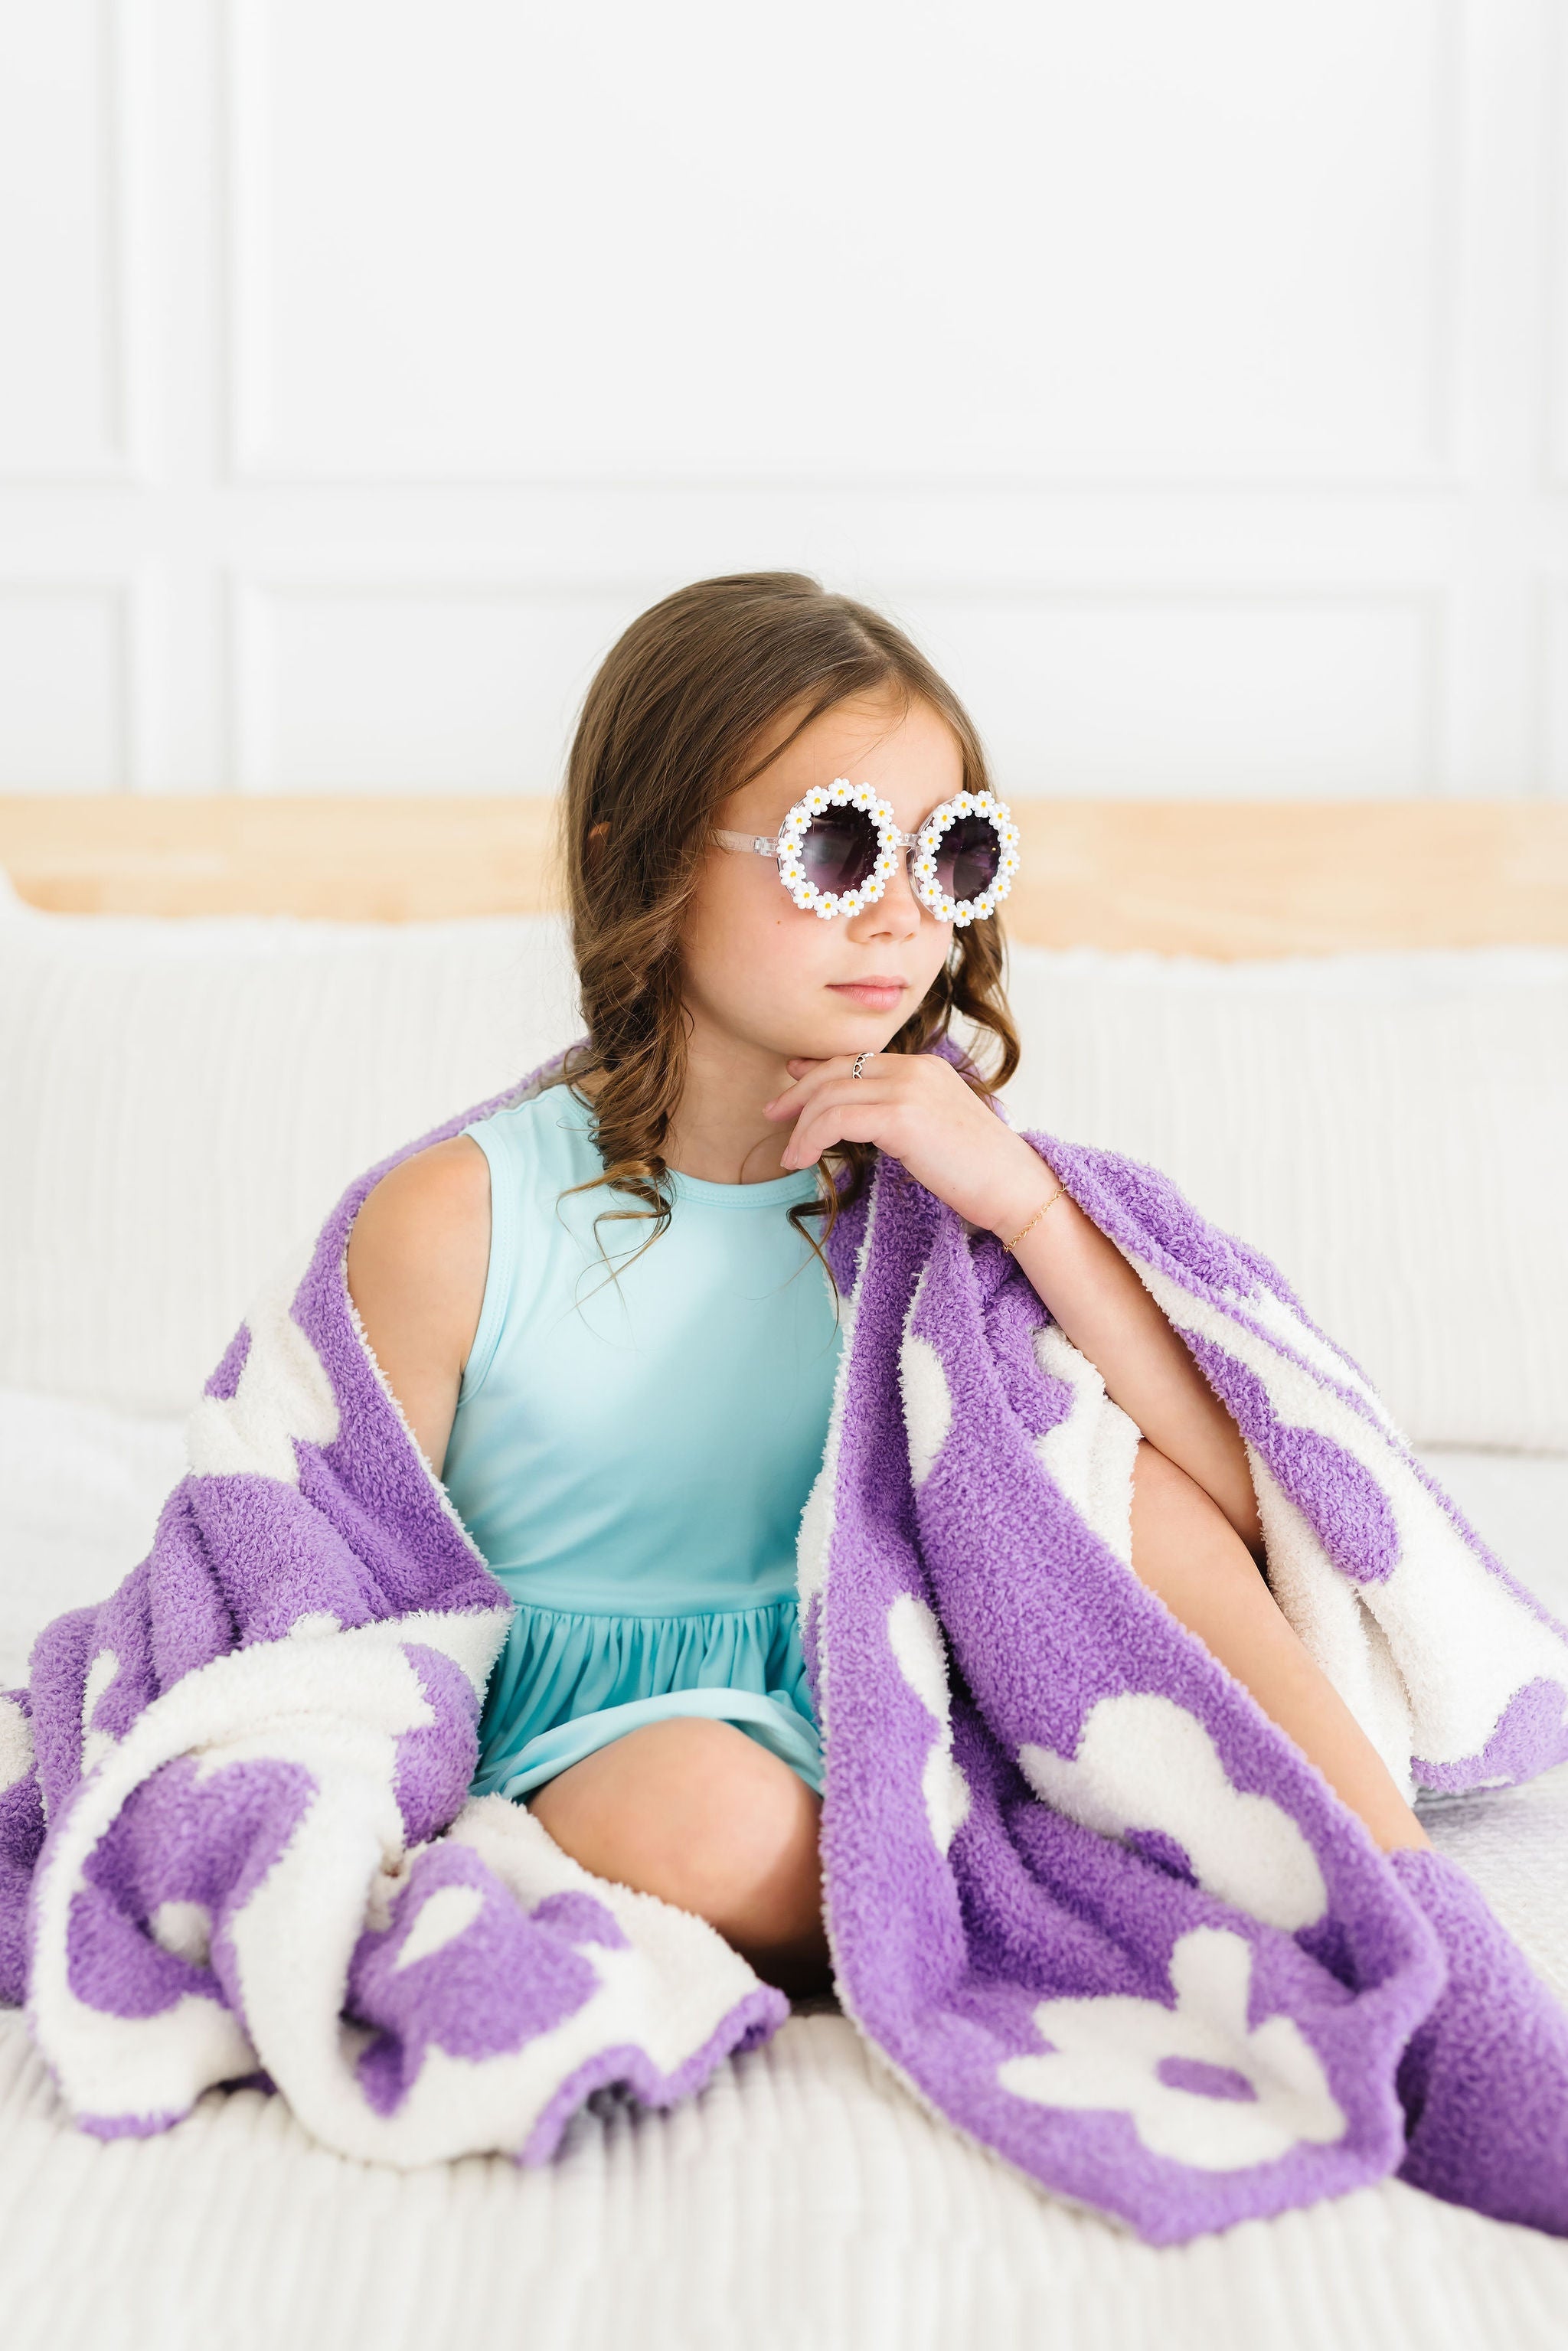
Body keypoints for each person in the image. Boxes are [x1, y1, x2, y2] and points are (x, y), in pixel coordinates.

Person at [345, 570, 1430, 2005]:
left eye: (953, 854)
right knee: (699, 1812)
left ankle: (1390, 1886)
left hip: (898, 1693)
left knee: (1123, 1483)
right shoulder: (457, 1214)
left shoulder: (941, 1193)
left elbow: (1249, 1501)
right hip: (609, 1740)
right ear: (644, 863)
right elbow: (341, 1570)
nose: (905, 916)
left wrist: (1026, 1208)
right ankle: (1009, 1903)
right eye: (839, 848)